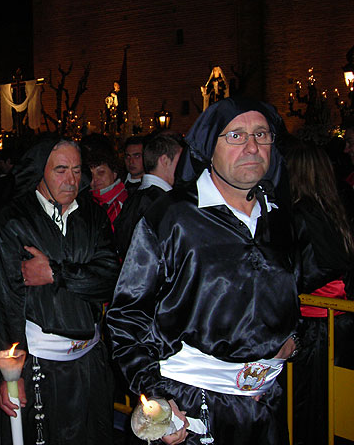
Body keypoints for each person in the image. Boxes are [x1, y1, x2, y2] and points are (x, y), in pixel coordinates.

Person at [108, 97, 302, 445]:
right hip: (193, 409)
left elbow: (294, 301)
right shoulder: (173, 218)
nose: (252, 147)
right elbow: (127, 316)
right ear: (209, 148)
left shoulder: (281, 219)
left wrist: (293, 342)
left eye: (262, 135)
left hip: (264, 408)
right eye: (236, 136)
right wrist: (157, 398)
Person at [0, 138, 120, 445]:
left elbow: (110, 278)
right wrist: (11, 374)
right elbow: (6, 301)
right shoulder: (12, 221)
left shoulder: (93, 216)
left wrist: (55, 273)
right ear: (40, 171)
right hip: (37, 363)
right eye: (61, 170)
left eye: (76, 170)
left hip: (88, 362)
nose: (71, 180)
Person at [286, 141, 354, 445]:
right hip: (338, 322)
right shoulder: (336, 206)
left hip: (318, 326)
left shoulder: (303, 213)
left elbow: (311, 270)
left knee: (310, 405)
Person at [114, 133, 183, 257]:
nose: (183, 168)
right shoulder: (160, 203)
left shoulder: (136, 197)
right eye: (179, 162)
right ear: (165, 161)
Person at [86, 149, 128, 228]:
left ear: (114, 173)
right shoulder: (86, 202)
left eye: (101, 172)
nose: (95, 179)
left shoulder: (125, 203)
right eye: (91, 175)